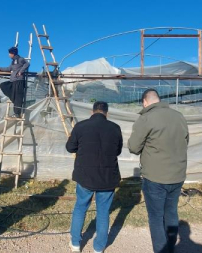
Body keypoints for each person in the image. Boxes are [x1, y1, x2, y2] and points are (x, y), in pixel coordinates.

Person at [128, 89, 189, 253]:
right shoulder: (179, 116)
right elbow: (186, 141)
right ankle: (170, 248)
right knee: (171, 212)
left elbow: (133, 147)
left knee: (155, 217)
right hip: (178, 175)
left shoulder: (146, 118)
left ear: (145, 102)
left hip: (155, 177)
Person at [66, 101, 123, 253]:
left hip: (85, 176)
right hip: (107, 177)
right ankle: (99, 248)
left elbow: (69, 147)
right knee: (103, 212)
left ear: (92, 112)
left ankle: (75, 244)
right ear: (107, 113)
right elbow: (118, 151)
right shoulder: (115, 128)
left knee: (80, 207)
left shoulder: (81, 126)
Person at [0, 46, 29, 117]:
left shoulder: (20, 59)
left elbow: (27, 64)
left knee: (18, 97)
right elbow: (8, 68)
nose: (9, 55)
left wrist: (21, 71)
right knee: (3, 85)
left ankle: (17, 113)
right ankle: (13, 99)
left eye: (9, 53)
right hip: (13, 81)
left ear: (13, 53)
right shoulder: (13, 62)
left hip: (19, 80)